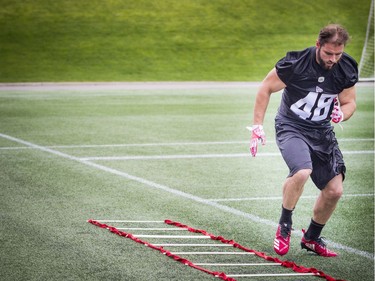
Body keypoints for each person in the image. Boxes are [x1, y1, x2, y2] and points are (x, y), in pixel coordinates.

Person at [249, 24, 358, 257]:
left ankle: (311, 238)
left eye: (338, 54)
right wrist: (257, 125)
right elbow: (266, 87)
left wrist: (342, 114)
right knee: (301, 171)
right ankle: (284, 225)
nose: (333, 59)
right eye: (328, 53)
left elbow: (349, 102)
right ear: (318, 45)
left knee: (335, 191)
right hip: (292, 126)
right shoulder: (296, 63)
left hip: (322, 132)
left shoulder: (346, 67)